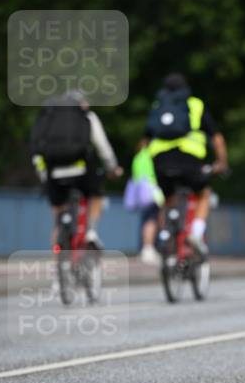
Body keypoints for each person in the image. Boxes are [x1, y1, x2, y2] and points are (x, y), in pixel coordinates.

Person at [145, 72, 228, 253]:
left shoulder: (158, 106)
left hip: (160, 161)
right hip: (189, 159)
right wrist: (221, 162)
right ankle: (196, 234)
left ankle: (165, 234)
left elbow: (144, 141)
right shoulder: (195, 104)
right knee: (203, 194)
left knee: (167, 199)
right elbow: (216, 138)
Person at [31, 89, 123, 247]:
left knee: (58, 217)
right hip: (81, 171)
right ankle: (91, 233)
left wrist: (44, 176)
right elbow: (102, 146)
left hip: (54, 172)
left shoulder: (50, 117)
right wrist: (112, 168)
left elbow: (37, 150)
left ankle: (59, 260)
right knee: (96, 195)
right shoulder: (86, 116)